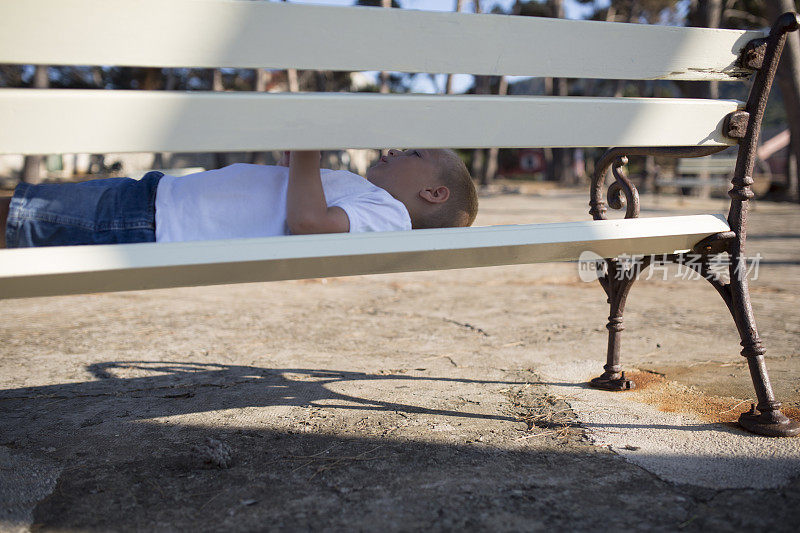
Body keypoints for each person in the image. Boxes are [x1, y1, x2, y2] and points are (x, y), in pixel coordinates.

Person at [1, 148, 478, 248]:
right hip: (158, 200)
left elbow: (308, 223)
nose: (395, 148)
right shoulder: (369, 196)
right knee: (25, 208)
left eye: (413, 152)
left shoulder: (389, 215)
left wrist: (310, 154)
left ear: (432, 193)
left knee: (19, 216)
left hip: (156, 220)